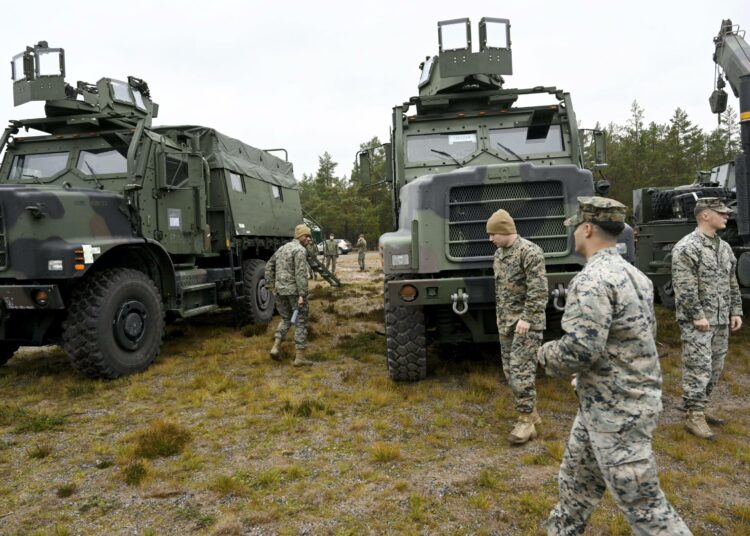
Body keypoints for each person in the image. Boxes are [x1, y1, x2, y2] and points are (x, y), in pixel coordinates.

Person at [537, 197, 691, 535]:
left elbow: (579, 350)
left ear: (588, 228)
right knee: (577, 480)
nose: (574, 234)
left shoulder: (592, 280)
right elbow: (634, 338)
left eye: (575, 227)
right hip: (603, 403)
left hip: (619, 412)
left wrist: (542, 353)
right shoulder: (634, 275)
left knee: (646, 508)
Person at [671, 197, 743, 439]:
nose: (726, 216)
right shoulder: (687, 247)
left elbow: (732, 282)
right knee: (698, 366)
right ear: (704, 215)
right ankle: (694, 415)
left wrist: (736, 310)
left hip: (721, 318)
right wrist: (697, 316)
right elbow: (684, 287)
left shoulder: (724, 248)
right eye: (721, 213)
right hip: (699, 321)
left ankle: (701, 404)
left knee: (715, 366)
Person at [487, 208, 547, 445]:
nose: (490, 239)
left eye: (493, 234)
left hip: (525, 324)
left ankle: (525, 422)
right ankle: (532, 414)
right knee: (510, 372)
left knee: (521, 372)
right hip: (506, 323)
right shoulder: (500, 254)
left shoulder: (529, 252)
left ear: (505, 231)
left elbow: (539, 290)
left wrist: (527, 318)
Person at [265, 224, 314, 367]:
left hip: (280, 291)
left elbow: (269, 266)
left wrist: (271, 286)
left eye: (309, 236)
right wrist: (302, 295)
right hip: (294, 292)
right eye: (307, 236)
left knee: (286, 319)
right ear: (300, 236)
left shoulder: (282, 248)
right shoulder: (299, 250)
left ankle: (275, 347)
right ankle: (300, 358)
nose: (309, 239)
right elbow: (300, 274)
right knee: (301, 322)